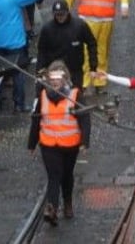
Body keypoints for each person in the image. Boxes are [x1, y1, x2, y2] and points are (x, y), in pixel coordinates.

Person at [28, 61, 90, 225]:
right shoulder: (42, 95)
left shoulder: (76, 94)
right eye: (52, 78)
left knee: (66, 175)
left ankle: (67, 201)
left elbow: (84, 118)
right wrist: (32, 143)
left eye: (58, 78)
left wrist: (84, 142)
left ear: (65, 79)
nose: (54, 81)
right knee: (54, 175)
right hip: (48, 144)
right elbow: (36, 119)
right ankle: (52, 207)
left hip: (70, 145)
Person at [65, 0, 128, 95]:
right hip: (85, 19)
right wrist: (65, 10)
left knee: (102, 52)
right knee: (85, 52)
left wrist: (124, 5)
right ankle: (85, 83)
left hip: (105, 20)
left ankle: (100, 82)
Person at [38, 0, 98, 90]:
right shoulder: (47, 29)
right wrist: (40, 70)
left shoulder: (79, 26)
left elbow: (92, 44)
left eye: (62, 14)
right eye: (57, 15)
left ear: (67, 12)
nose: (60, 17)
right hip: (55, 73)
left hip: (75, 71)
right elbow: (41, 50)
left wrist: (93, 67)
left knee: (76, 98)